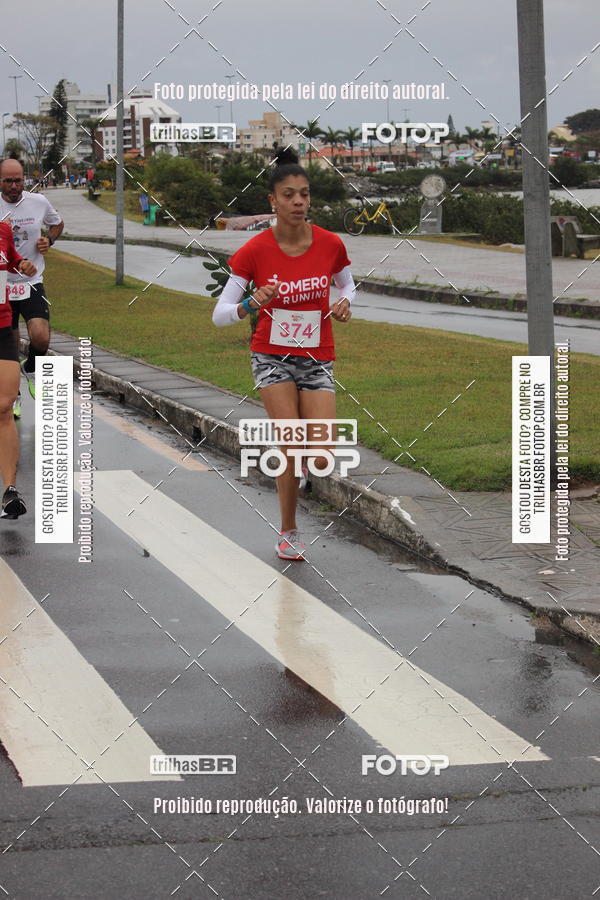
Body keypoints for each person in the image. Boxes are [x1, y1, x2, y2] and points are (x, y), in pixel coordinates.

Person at [212, 149, 355, 560]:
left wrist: (344, 303)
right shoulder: (254, 251)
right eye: (289, 195)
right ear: (272, 201)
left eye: (304, 195)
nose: (298, 202)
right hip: (271, 357)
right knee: (292, 445)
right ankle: (289, 529)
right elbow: (220, 315)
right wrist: (250, 304)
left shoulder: (330, 244)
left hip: (316, 357)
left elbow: (348, 286)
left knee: (323, 454)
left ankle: (306, 466)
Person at [0, 158, 64, 416]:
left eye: (19, 180)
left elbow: (57, 223)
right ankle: (13, 397)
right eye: (8, 181)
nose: (14, 186)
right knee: (11, 345)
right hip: (3, 285)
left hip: (32, 281)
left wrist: (49, 240)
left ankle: (31, 368)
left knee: (41, 336)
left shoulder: (38, 202)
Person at [0, 220, 36, 517]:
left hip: (1, 326)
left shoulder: (2, 230)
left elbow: (10, 257)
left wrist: (21, 263)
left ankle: (10, 491)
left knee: (4, 406)